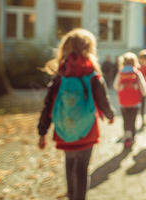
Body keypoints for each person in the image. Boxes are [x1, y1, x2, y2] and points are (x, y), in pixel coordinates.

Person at [38, 28, 115, 200]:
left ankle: (71, 196)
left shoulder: (60, 76)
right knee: (81, 169)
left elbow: (48, 104)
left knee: (70, 163)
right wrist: (111, 116)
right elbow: (104, 101)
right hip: (87, 131)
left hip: (65, 129)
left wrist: (42, 132)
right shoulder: (93, 75)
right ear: (89, 48)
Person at [113, 52, 146, 148]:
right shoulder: (137, 73)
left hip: (123, 102)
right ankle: (132, 137)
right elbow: (144, 89)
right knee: (133, 120)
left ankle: (126, 135)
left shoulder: (120, 72)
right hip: (135, 101)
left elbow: (115, 86)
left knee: (125, 119)